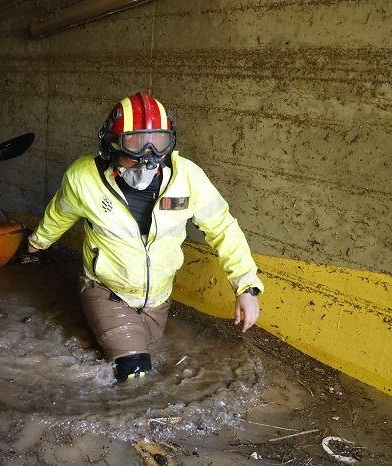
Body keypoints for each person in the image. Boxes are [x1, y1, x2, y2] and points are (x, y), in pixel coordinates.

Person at [27, 92, 264, 383]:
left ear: (171, 142)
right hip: (107, 290)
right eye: (134, 144)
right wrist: (34, 244)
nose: (147, 156)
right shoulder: (83, 177)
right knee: (135, 373)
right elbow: (59, 215)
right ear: (110, 145)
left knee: (151, 346)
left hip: (158, 298)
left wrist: (246, 287)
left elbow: (223, 228)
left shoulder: (189, 179)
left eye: (158, 142)